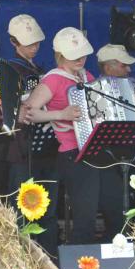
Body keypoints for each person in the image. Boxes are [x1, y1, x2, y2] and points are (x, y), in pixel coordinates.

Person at [24, 27, 99, 244]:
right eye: (73, 55)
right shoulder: (53, 80)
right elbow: (28, 112)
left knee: (94, 213)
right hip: (71, 153)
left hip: (93, 150)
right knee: (85, 216)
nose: (80, 59)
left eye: (83, 54)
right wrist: (60, 114)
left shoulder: (87, 76)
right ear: (60, 55)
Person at [5, 14, 60, 257]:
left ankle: (49, 265)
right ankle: (21, 263)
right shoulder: (7, 69)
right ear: (13, 42)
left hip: (47, 146)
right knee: (22, 209)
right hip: (20, 146)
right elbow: (4, 108)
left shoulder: (43, 70)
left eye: (37, 42)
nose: (34, 47)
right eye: (28, 43)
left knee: (49, 208)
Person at [95, 43, 135, 241]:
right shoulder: (95, 88)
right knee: (115, 208)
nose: (129, 69)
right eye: (124, 65)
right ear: (109, 67)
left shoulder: (130, 85)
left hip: (129, 154)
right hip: (105, 157)